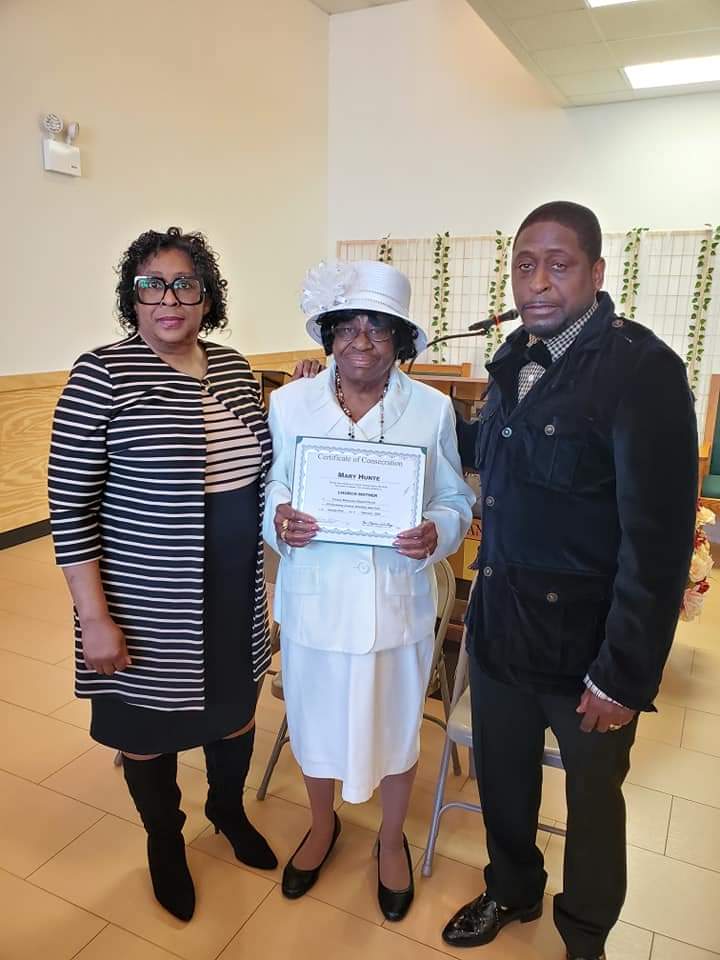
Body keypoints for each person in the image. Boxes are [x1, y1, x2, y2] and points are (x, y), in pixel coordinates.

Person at [442, 202, 698, 960]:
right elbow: (489, 448)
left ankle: (584, 933)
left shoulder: (641, 371)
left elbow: (656, 547)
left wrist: (623, 676)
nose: (539, 281)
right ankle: (511, 888)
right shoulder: (513, 355)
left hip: (587, 651)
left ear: (594, 272)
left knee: (592, 804)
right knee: (505, 784)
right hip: (501, 632)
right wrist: (379, 388)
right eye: (525, 264)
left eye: (558, 264)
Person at [47, 227, 317, 922]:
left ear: (207, 298)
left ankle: (225, 812)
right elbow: (69, 507)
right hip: (144, 596)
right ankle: (164, 839)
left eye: (185, 285)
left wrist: (297, 399)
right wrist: (95, 617)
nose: (169, 298)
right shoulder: (101, 373)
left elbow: (259, 459)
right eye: (152, 284)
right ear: (131, 298)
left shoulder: (229, 367)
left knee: (233, 715)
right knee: (144, 728)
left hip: (233, 584)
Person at [263, 260, 474, 921]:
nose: (361, 340)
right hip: (316, 598)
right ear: (329, 334)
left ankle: (389, 840)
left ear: (399, 340)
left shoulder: (433, 410)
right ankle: (322, 826)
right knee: (315, 721)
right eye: (347, 326)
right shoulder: (290, 403)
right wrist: (280, 516)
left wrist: (436, 532)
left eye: (378, 327)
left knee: (396, 728)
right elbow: (277, 484)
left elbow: (454, 498)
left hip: (393, 601)